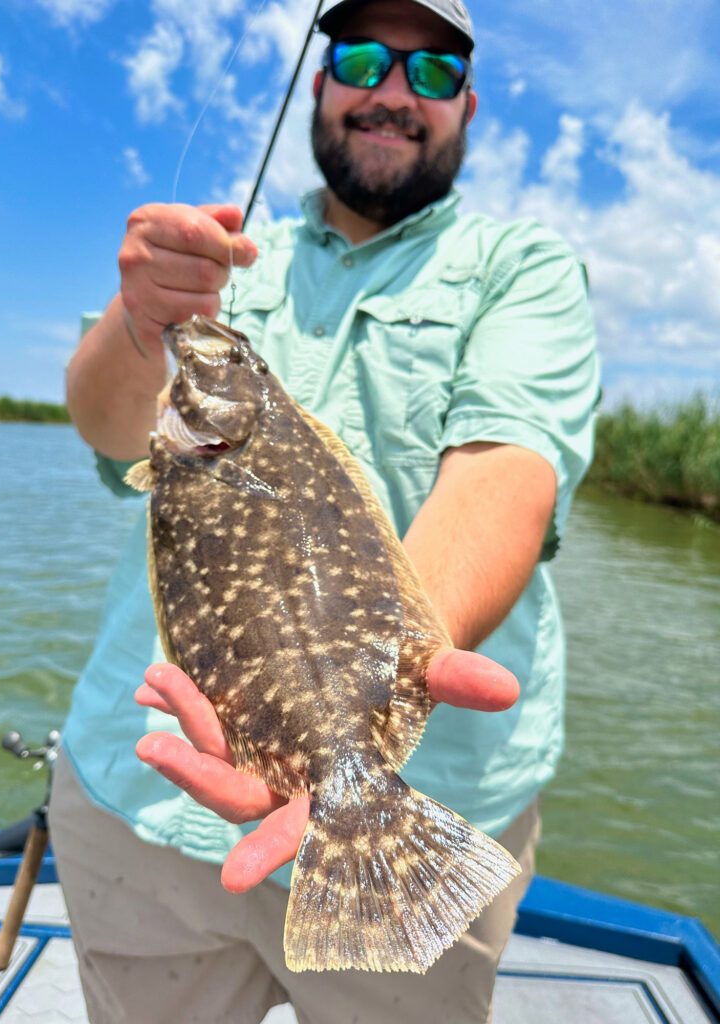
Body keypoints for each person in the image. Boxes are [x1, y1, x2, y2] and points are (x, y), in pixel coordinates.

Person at [50, 0, 600, 1021]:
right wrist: (140, 322)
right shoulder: (218, 257)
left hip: (427, 802)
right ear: (320, 83)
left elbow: (505, 472)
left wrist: (365, 703)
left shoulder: (521, 268)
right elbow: (108, 426)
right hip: (140, 803)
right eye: (362, 59)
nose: (393, 92)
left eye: (429, 74)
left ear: (465, 106)